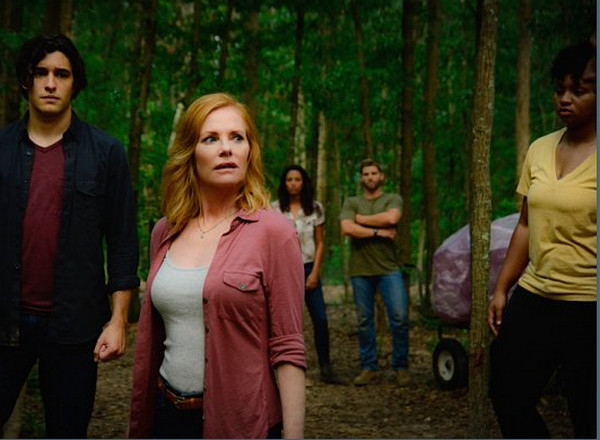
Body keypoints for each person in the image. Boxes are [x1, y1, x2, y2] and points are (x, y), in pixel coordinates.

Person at [128, 93, 306, 439]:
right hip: (166, 415)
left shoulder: (275, 232)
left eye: (236, 137)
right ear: (189, 153)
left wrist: (294, 435)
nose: (226, 149)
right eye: (211, 139)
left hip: (241, 421)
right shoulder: (165, 230)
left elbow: (288, 345)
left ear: (249, 151)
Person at [0, 34, 139, 438]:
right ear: (25, 81)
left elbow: (123, 242)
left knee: (67, 431)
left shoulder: (106, 153)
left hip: (75, 326)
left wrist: (118, 321)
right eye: (40, 73)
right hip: (4, 321)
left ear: (75, 83)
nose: (50, 83)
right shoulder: (2, 149)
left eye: (61, 74)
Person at [488, 40, 596, 439]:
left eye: (579, 90)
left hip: (589, 304)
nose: (565, 99)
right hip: (536, 295)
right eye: (559, 89)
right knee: (506, 392)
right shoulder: (540, 148)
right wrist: (503, 287)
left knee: (588, 413)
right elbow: (526, 224)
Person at [340, 159, 410, 387]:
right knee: (364, 321)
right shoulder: (352, 201)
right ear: (361, 178)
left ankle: (401, 366)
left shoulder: (392, 198)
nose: (370, 177)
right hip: (360, 270)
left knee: (399, 318)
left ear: (381, 176)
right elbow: (346, 228)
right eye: (366, 174)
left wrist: (360, 220)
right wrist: (378, 232)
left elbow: (392, 218)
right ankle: (368, 366)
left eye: (373, 173)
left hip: (389, 268)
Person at [273, 165, 344, 385]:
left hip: (308, 268)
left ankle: (326, 368)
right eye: (289, 180)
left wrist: (314, 273)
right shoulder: (274, 209)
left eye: (297, 179)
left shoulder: (315, 208)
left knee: (320, 318)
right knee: (288, 323)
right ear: (284, 183)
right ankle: (287, 370)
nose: (293, 183)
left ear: (304, 182)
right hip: (284, 271)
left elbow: (320, 242)